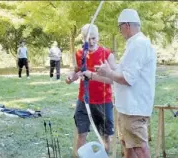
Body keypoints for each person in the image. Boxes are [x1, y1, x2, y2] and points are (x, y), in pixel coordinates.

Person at [94, 9, 156, 158]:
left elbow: (128, 79)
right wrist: (108, 71)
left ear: (127, 25)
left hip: (134, 108)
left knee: (139, 148)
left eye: (120, 27)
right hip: (127, 108)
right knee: (128, 147)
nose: (120, 31)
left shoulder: (139, 45)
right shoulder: (133, 44)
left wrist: (108, 73)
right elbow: (121, 73)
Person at [65, 24, 116, 155]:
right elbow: (77, 71)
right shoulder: (79, 53)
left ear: (98, 37)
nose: (91, 42)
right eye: (88, 39)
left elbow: (113, 78)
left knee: (105, 137)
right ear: (83, 39)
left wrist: (92, 75)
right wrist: (71, 76)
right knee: (81, 134)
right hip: (84, 100)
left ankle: (103, 155)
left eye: (94, 38)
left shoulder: (107, 54)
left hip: (103, 101)